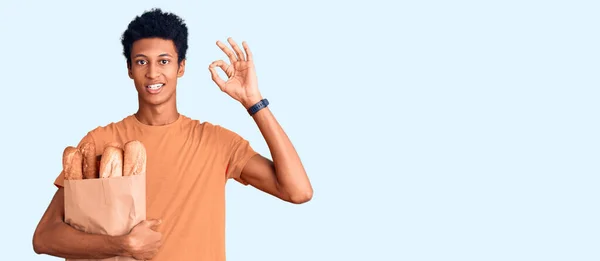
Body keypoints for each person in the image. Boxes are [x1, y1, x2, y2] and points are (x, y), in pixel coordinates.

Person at [32, 8, 313, 261]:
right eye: (141, 62)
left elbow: (298, 191)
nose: (153, 73)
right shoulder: (100, 142)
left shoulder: (218, 142)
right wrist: (122, 245)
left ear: (181, 67)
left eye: (164, 61)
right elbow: (44, 238)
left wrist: (253, 101)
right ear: (129, 69)